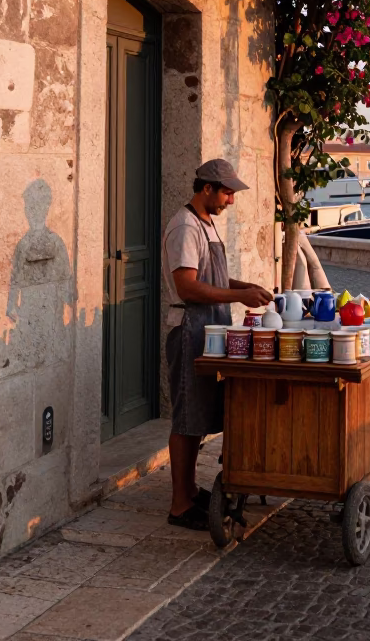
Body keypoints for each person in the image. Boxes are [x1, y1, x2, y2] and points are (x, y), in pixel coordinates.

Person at [162, 158, 273, 529]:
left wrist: (247, 287)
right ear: (206, 188)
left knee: (197, 415)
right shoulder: (185, 226)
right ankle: (179, 506)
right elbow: (187, 287)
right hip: (190, 329)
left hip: (208, 329)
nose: (231, 200)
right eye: (226, 193)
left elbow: (216, 279)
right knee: (186, 418)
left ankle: (190, 491)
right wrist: (238, 297)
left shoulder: (206, 223)